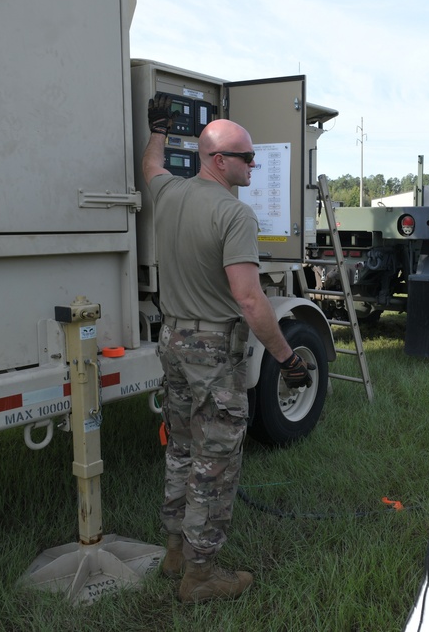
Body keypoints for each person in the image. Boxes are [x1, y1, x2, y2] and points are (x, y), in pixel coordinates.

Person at [141, 94, 314, 603]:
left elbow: (150, 165)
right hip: (213, 349)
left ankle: (175, 549)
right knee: (214, 460)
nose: (253, 165)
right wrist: (287, 358)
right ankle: (201, 575)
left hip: (172, 339)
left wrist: (158, 131)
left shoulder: (170, 193)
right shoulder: (233, 215)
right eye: (245, 157)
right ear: (218, 160)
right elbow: (250, 300)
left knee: (181, 446)